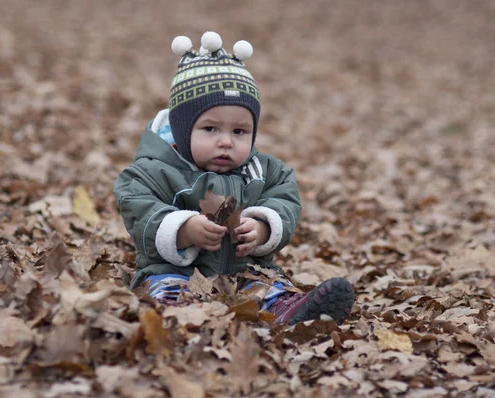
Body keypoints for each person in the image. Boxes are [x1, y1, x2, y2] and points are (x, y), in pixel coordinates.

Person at [113, 31, 354, 325]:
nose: (226, 141)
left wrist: (264, 227)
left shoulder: (264, 171)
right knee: (165, 291)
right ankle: (175, 319)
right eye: (210, 129)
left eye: (239, 131)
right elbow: (138, 206)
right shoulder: (155, 170)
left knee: (268, 287)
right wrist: (183, 229)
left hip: (245, 272)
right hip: (177, 272)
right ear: (182, 129)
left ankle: (291, 313)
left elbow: (284, 197)